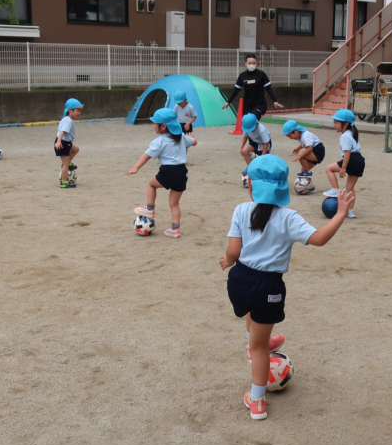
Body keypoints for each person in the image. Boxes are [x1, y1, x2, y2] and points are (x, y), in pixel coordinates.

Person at [220, 155, 354, 420]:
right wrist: (339, 214)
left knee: (251, 312)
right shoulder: (289, 217)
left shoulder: (241, 210)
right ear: (282, 188)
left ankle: (255, 341)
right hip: (268, 286)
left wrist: (228, 260)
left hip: (239, 280)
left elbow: (234, 251)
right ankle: (257, 400)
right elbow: (318, 239)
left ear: (252, 186)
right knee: (260, 347)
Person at [128, 108, 196, 238]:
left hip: (168, 171)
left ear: (163, 126)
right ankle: (175, 229)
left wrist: (136, 167)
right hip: (182, 173)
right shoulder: (181, 137)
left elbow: (147, 155)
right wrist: (191, 138)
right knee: (174, 204)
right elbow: (194, 143)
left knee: (151, 185)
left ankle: (149, 208)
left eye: (155, 123)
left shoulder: (159, 141)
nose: (153, 125)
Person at [322, 109, 364, 218]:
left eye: (337, 123)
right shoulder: (351, 133)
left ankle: (335, 190)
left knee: (329, 168)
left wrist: (343, 167)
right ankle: (350, 211)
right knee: (350, 188)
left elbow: (347, 153)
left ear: (345, 124)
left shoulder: (344, 136)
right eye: (334, 122)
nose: (334, 125)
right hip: (359, 161)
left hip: (352, 159)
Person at [222, 54, 283, 119]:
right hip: (247, 105)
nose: (252, 65)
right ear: (245, 63)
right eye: (249, 63)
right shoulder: (242, 76)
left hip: (259, 104)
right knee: (247, 123)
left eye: (254, 63)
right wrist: (228, 102)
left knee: (252, 119)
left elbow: (268, 88)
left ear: (256, 63)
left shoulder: (261, 74)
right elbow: (236, 90)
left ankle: (261, 129)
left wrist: (275, 101)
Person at [55, 98, 82, 189]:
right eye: (77, 110)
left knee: (76, 149)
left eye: (80, 110)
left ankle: (67, 163)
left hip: (66, 142)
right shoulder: (68, 120)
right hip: (62, 143)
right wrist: (59, 141)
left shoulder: (66, 119)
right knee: (65, 165)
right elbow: (62, 131)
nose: (79, 112)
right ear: (70, 110)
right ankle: (64, 182)